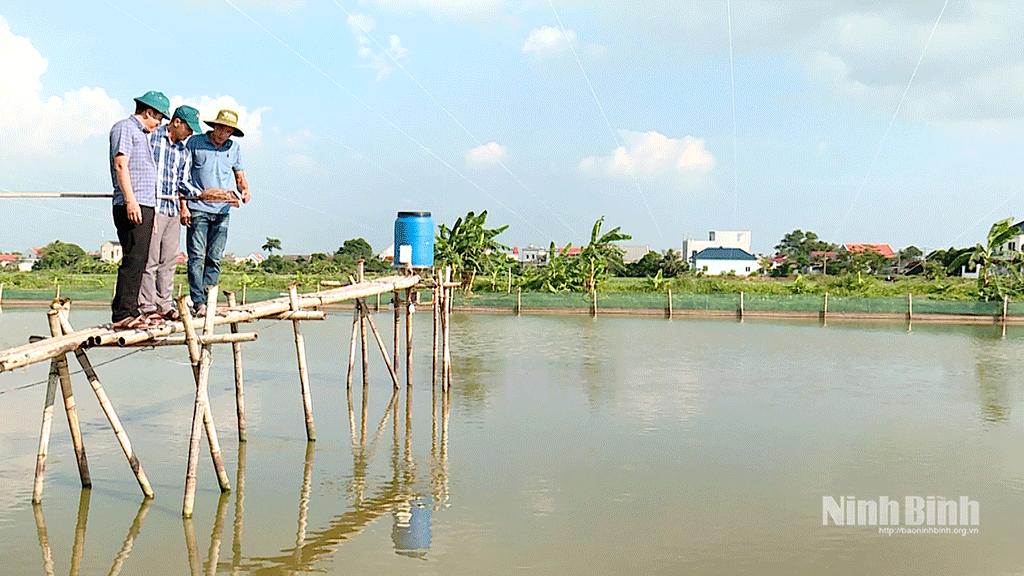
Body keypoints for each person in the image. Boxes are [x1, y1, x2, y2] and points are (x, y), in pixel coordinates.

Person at [139, 105, 224, 321]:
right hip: (153, 206)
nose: (190, 133)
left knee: (169, 259)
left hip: (172, 209)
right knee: (150, 259)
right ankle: (147, 307)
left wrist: (205, 194)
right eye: (188, 128)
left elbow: (184, 182)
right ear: (176, 122)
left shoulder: (183, 151)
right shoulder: (150, 138)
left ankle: (164, 305)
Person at [108, 90, 169, 329]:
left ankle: (131, 310)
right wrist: (131, 201)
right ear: (148, 112)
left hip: (144, 204)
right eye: (158, 118)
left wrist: (149, 210)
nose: (159, 123)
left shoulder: (142, 134)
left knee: (140, 259)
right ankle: (123, 313)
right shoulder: (125, 128)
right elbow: (121, 165)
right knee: (133, 258)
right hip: (131, 203)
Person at [184, 109, 250, 316]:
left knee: (215, 257)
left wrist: (245, 190)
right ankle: (199, 303)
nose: (224, 134)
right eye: (221, 128)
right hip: (198, 208)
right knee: (196, 256)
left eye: (229, 131)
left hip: (222, 210)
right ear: (215, 127)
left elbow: (240, 176)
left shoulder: (234, 148)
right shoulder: (194, 143)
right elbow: (182, 176)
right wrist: (183, 206)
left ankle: (209, 298)